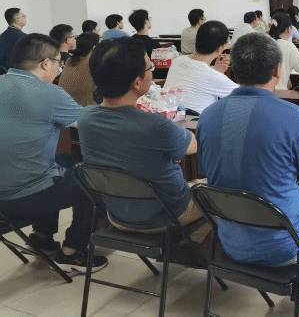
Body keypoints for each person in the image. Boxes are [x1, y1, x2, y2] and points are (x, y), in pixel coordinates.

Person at [197, 32, 299, 301]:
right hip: (285, 247)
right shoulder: (292, 115)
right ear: (277, 70)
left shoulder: (208, 115)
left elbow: (208, 171)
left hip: (231, 242)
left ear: (234, 69)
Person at [0, 34, 107, 272]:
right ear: (46, 63)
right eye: (59, 62)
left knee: (61, 161)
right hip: (21, 198)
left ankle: (42, 238)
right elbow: (90, 123)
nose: (59, 68)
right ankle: (73, 251)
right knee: (95, 181)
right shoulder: (49, 93)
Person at [78, 38, 203, 235]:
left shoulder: (85, 118)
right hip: (169, 215)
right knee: (218, 194)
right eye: (150, 67)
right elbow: (193, 146)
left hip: (117, 214)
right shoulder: (155, 124)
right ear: (137, 82)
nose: (152, 71)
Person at [164, 21, 237, 114]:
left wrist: (218, 71)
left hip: (171, 119)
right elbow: (247, 96)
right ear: (219, 48)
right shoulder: (212, 76)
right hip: (199, 122)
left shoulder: (177, 61)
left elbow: (198, 78)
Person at [268, 12, 299, 90]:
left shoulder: (262, 43)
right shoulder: (288, 46)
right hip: (278, 93)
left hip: (255, 93)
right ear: (289, 29)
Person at [58, 32, 101, 107]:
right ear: (94, 48)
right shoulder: (94, 63)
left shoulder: (69, 61)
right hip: (86, 108)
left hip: (65, 106)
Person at [0, 7, 26, 72]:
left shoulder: (2, 35)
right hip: (15, 74)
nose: (25, 17)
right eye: (23, 16)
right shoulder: (24, 38)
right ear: (17, 21)